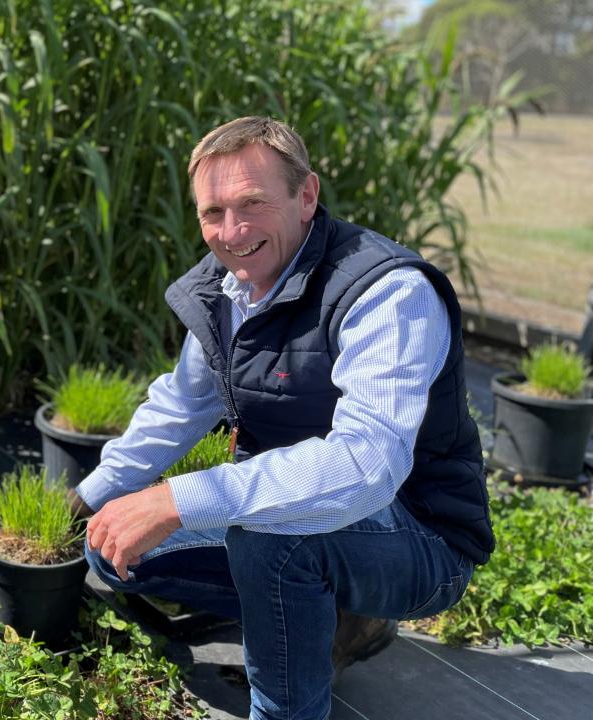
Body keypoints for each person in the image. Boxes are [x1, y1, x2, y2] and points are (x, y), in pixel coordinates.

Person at [77, 116, 493, 720]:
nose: (231, 231)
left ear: (307, 196)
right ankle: (331, 615)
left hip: (421, 538)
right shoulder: (226, 290)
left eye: (252, 203)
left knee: (273, 539)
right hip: (304, 525)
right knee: (110, 548)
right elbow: (180, 404)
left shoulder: (387, 291)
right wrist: (89, 499)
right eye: (212, 212)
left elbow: (366, 464)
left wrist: (177, 501)